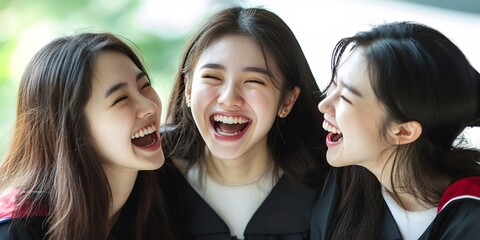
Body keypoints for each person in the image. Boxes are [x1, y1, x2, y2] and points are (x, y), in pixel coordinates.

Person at [158, 6, 329, 240]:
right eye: (212, 77)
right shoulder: (153, 176)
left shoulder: (327, 186)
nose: (229, 99)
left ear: (287, 100)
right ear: (188, 89)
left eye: (254, 81)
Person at [311, 21, 480, 240]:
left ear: (403, 132)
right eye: (334, 85)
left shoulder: (470, 218)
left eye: (345, 98)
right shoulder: (341, 191)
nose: (323, 105)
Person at [0, 32, 174, 239]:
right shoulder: (18, 228)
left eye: (145, 86)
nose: (149, 106)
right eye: (121, 99)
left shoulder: (165, 190)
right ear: (74, 128)